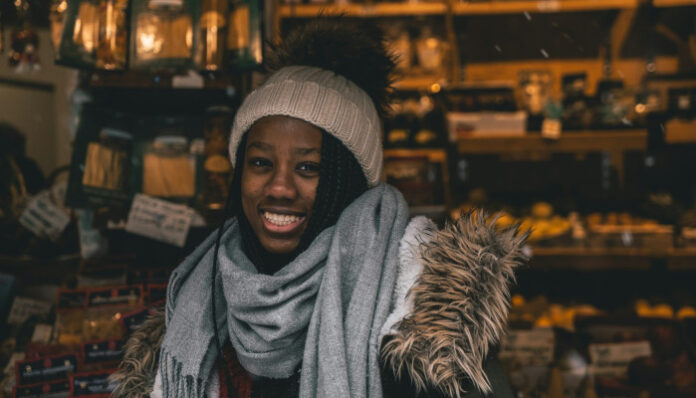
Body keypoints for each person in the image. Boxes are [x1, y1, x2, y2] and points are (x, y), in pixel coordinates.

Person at [110, 20, 527, 398]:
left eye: (309, 167)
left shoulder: (423, 325)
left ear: (350, 182)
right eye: (260, 163)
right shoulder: (196, 306)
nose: (278, 187)